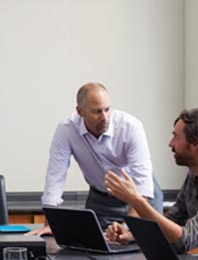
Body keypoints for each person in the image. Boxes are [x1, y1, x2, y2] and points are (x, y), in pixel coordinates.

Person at [105, 108, 198, 260]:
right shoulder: (194, 175)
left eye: (176, 137)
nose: (170, 144)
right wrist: (130, 235)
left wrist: (135, 200)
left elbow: (186, 240)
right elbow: (173, 220)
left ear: (195, 143)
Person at [27, 82, 155, 236]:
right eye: (96, 112)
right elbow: (55, 177)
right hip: (100, 200)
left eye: (107, 110)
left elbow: (143, 184)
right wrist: (50, 224)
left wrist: (130, 229)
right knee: (97, 251)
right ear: (80, 112)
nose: (104, 117)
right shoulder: (66, 129)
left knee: (142, 248)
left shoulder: (131, 127)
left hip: (140, 199)